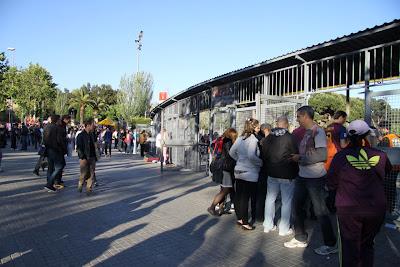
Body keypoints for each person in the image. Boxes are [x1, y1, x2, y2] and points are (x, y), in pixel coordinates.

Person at [327, 120, 392, 267]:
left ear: (348, 137)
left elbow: (331, 181)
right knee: (367, 245)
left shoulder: (340, 157)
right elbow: (386, 171)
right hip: (375, 208)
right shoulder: (380, 155)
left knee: (349, 248)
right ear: (368, 135)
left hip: (348, 208)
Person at [284, 106, 337, 256]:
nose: (297, 119)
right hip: (303, 176)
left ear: (306, 116)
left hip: (315, 178)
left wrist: (299, 158)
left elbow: (322, 155)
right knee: (297, 206)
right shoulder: (307, 133)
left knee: (320, 211)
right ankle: (300, 238)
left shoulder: (318, 132)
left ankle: (330, 243)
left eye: (299, 117)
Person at [261, 116, 298, 236]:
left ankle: (268, 225)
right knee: (286, 201)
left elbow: (264, 155)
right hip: (287, 173)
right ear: (286, 124)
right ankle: (284, 229)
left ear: (277, 124)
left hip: (272, 173)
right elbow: (295, 154)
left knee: (270, 199)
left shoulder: (268, 138)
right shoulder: (291, 138)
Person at [229, 118, 263, 230]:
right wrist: (260, 163)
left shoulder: (240, 138)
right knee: (245, 198)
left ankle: (240, 218)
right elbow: (252, 155)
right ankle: (245, 222)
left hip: (238, 170)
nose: (259, 129)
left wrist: (239, 160)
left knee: (239, 196)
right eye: (257, 126)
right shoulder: (253, 140)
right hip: (250, 172)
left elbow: (231, 152)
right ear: (253, 127)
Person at [207, 128, 238, 216]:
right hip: (225, 168)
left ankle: (221, 208)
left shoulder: (220, 140)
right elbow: (230, 155)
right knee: (225, 190)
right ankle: (212, 207)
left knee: (223, 188)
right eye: (234, 136)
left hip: (219, 167)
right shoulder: (228, 142)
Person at [76, 118, 98, 195]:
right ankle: (80, 184)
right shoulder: (80, 135)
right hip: (84, 157)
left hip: (92, 157)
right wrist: (82, 156)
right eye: (92, 125)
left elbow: (95, 145)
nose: (94, 126)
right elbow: (78, 147)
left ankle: (89, 188)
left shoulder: (92, 135)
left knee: (91, 173)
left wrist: (95, 156)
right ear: (88, 125)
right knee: (84, 173)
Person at [43, 115, 65, 192]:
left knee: (50, 167)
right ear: (57, 120)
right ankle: (49, 184)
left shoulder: (46, 127)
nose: (60, 121)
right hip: (55, 149)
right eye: (59, 119)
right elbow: (59, 140)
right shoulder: (57, 128)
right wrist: (63, 147)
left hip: (48, 149)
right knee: (59, 166)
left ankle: (50, 184)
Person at [256, 123, 272, 222]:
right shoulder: (264, 139)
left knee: (261, 194)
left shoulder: (257, 138)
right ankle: (263, 216)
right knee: (266, 194)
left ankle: (259, 216)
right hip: (266, 169)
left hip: (260, 169)